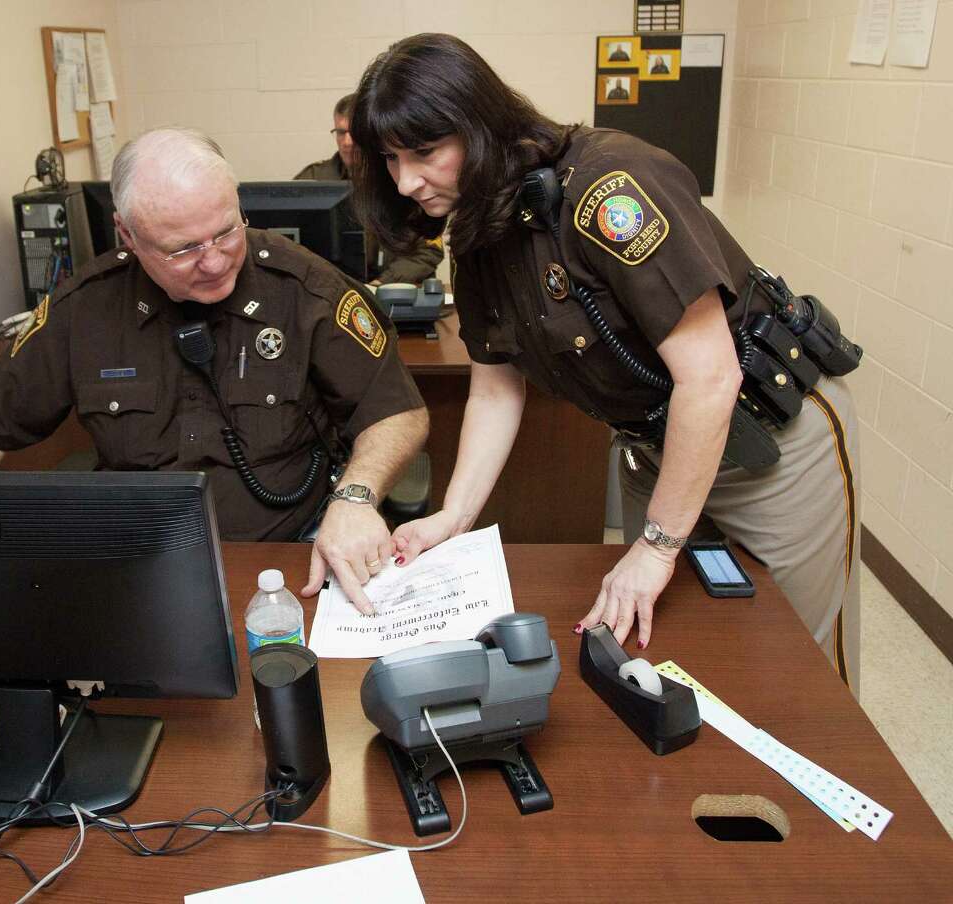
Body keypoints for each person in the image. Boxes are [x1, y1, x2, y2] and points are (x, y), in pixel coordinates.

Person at [349, 34, 861, 693]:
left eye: (424, 153)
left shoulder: (609, 188)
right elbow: (496, 390)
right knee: (674, 653)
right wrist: (454, 516)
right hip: (659, 450)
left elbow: (709, 376)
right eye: (390, 159)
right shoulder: (477, 230)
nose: (405, 181)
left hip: (773, 443)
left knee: (797, 668)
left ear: (480, 125)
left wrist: (655, 546)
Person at [0, 128, 429, 615]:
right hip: (138, 571)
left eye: (225, 231)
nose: (214, 260)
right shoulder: (84, 309)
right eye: (182, 247)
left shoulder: (302, 286)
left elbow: (397, 410)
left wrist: (355, 495)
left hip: (290, 558)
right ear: (126, 235)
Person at [295, 94, 444, 286]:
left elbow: (429, 249)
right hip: (331, 293)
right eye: (340, 132)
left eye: (354, 132)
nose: (347, 142)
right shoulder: (313, 180)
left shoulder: (402, 177)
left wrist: (382, 283)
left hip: (394, 290)